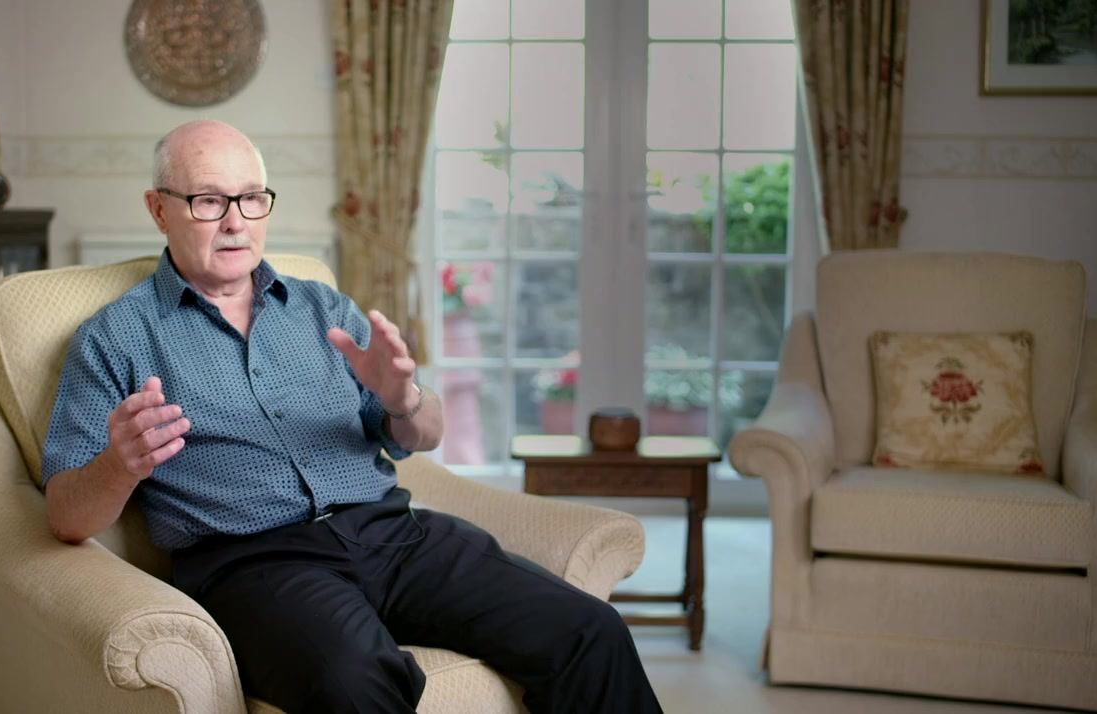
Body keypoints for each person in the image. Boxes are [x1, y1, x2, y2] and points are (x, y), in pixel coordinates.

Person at [41, 119, 662, 714]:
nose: (235, 221)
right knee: (353, 680)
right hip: (255, 564)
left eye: (252, 198)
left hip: (393, 532)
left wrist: (404, 399)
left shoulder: (325, 309)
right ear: (159, 209)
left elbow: (428, 433)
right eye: (209, 201)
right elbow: (66, 516)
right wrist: (119, 466)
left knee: (588, 628)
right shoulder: (114, 338)